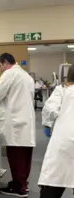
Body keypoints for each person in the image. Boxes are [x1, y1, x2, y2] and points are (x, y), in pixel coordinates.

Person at [0, 53, 35, 197]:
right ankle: (23, 183)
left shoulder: (9, 74)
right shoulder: (25, 75)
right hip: (24, 120)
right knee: (25, 155)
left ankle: (18, 188)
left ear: (5, 63)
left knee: (15, 154)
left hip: (15, 122)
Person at [38, 65, 74, 198]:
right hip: (64, 140)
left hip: (63, 141)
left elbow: (50, 110)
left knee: (54, 181)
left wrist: (47, 125)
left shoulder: (62, 89)